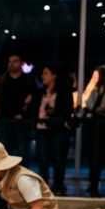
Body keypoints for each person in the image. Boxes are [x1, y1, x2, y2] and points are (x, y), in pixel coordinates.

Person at [34, 65, 74, 196]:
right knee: (43, 158)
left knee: (58, 158)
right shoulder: (40, 92)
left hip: (58, 128)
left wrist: (53, 112)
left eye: (46, 73)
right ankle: (43, 187)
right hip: (41, 128)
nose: (43, 76)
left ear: (54, 75)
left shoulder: (64, 91)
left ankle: (58, 186)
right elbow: (34, 109)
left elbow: (68, 109)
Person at [0, 54, 38, 167]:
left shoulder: (29, 79)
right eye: (10, 61)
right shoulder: (3, 79)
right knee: (5, 152)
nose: (11, 64)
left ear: (21, 63)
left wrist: (26, 111)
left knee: (22, 152)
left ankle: (22, 179)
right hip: (5, 120)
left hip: (23, 121)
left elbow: (35, 99)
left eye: (15, 61)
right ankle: (8, 178)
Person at [83, 65, 105, 197]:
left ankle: (95, 182)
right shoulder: (96, 89)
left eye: (104, 75)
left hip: (104, 125)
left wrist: (99, 109)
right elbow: (90, 104)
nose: (102, 78)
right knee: (92, 154)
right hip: (94, 124)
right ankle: (92, 182)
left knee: (99, 154)